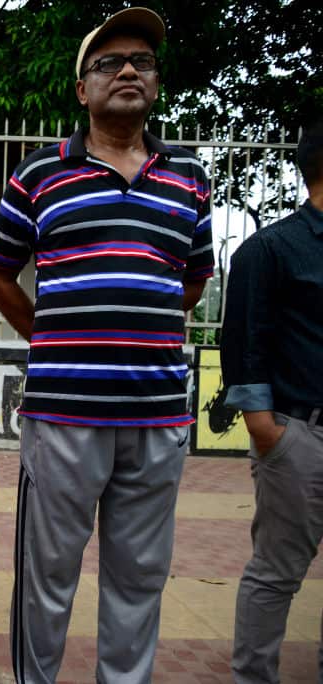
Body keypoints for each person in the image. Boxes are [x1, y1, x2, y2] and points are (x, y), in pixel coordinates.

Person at [0, 8, 214, 683]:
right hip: (62, 415)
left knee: (139, 581)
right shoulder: (39, 175)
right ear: (82, 90)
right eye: (109, 63)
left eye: (142, 61)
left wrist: (136, 330)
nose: (128, 71)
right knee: (46, 579)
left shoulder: (189, 179)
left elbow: (190, 283)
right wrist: (53, 340)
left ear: (156, 83)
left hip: (157, 417)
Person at [222, 122, 323, 684]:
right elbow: (245, 342)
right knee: (278, 574)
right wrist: (266, 431)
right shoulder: (271, 249)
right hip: (299, 436)